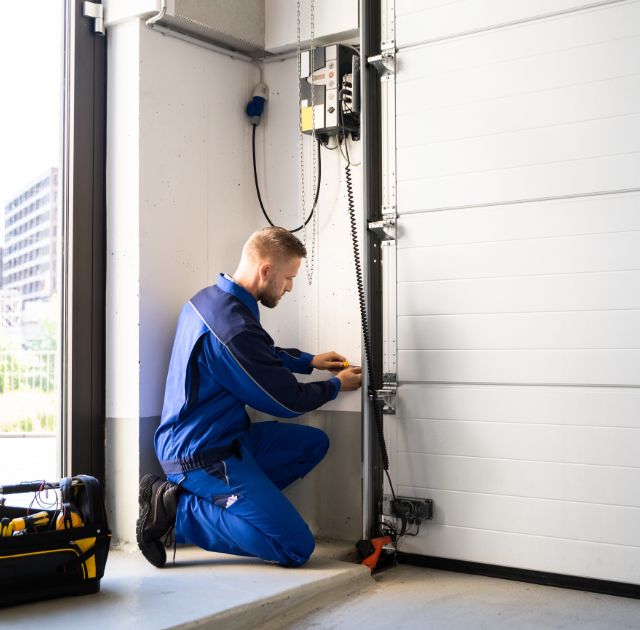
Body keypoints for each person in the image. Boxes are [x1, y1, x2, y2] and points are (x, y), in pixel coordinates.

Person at [136, 226, 362, 568]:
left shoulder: (211, 300)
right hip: (200, 455)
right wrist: (334, 386)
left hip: (229, 438)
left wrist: (308, 361)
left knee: (313, 444)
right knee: (295, 547)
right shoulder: (232, 329)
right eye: (288, 278)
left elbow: (259, 354)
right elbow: (287, 402)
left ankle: (239, 508)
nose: (289, 287)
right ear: (266, 270)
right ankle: (177, 512)